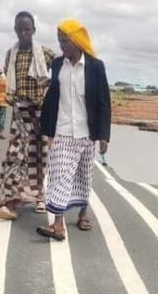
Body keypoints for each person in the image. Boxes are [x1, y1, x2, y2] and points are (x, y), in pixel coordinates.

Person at [36, 19, 110, 241]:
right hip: (63, 130)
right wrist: (47, 130)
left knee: (83, 175)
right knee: (58, 174)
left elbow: (103, 102)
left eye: (65, 42)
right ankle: (57, 225)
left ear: (77, 41)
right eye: (59, 42)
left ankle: (83, 213)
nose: (62, 47)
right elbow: (52, 98)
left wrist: (104, 135)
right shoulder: (58, 64)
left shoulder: (96, 66)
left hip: (87, 132)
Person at [0, 11, 57, 221]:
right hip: (19, 113)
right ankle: (9, 200)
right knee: (15, 156)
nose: (23, 33)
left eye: (27, 29)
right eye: (19, 29)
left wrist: (51, 97)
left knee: (38, 157)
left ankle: (39, 198)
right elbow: (11, 84)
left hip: (39, 114)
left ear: (34, 30)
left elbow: (60, 75)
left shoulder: (46, 54)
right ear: (15, 30)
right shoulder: (11, 54)